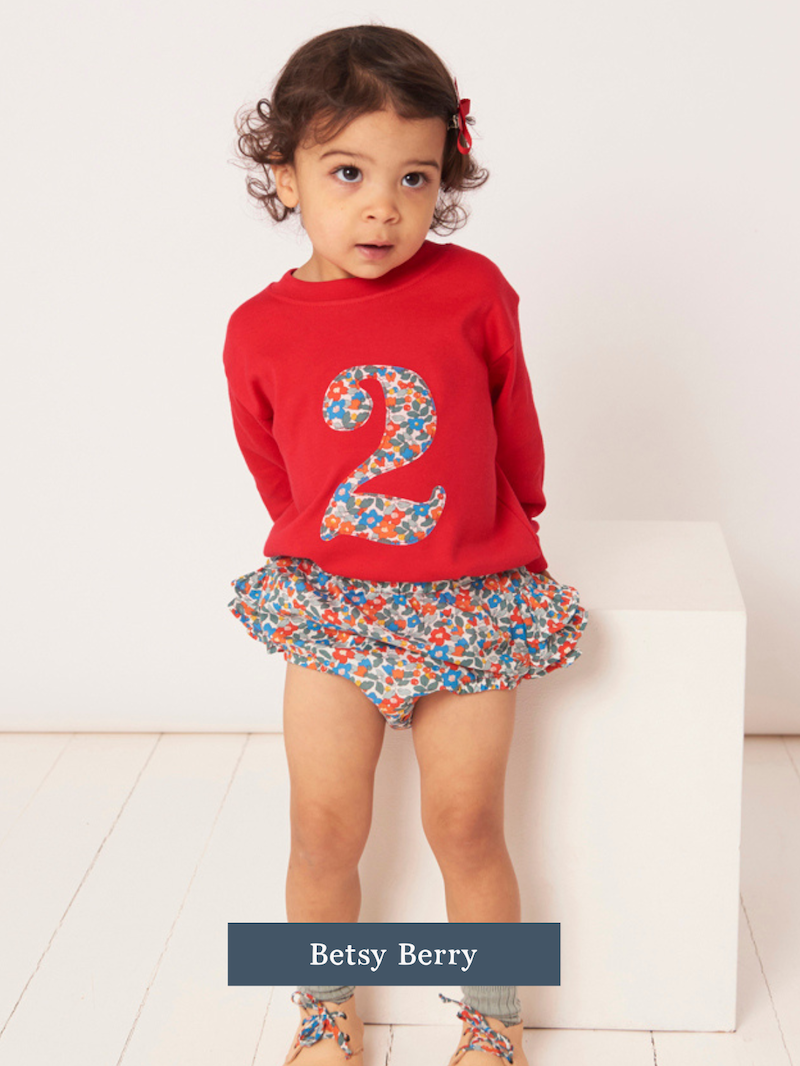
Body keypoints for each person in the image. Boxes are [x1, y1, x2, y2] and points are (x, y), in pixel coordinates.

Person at [224, 23, 588, 1066]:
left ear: (444, 180)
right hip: (335, 602)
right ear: (285, 173)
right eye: (347, 172)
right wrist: (314, 542)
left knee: (465, 823)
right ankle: (324, 1012)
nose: (382, 206)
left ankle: (491, 1021)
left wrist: (519, 509)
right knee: (321, 830)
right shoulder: (256, 326)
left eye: (414, 177)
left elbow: (513, 417)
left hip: (468, 591)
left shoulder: (473, 291)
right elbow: (272, 458)